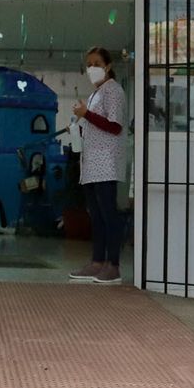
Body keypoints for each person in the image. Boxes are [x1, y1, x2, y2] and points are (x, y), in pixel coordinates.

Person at [68, 47, 127, 285]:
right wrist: (81, 120)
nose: (91, 68)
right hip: (92, 166)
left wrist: (87, 115)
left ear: (108, 66)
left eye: (96, 63)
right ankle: (97, 262)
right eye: (88, 63)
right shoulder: (96, 94)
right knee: (97, 217)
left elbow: (115, 126)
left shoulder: (113, 91)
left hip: (106, 164)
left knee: (108, 215)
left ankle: (113, 265)